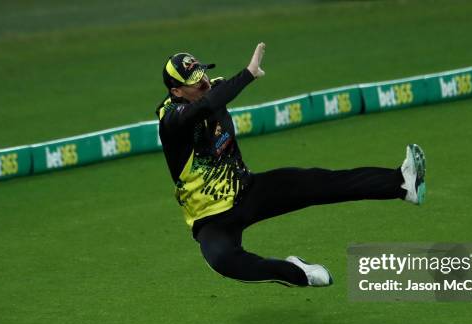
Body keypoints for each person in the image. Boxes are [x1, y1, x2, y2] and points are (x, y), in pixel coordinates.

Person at [155, 43, 426, 288]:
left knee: (321, 182)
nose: (203, 82)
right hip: (212, 220)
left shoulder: (215, 88)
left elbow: (218, 93)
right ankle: (297, 273)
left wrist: (236, 80)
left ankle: (402, 183)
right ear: (176, 91)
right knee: (226, 262)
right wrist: (248, 73)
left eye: (202, 73)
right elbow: (202, 107)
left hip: (248, 191)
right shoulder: (171, 120)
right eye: (195, 82)